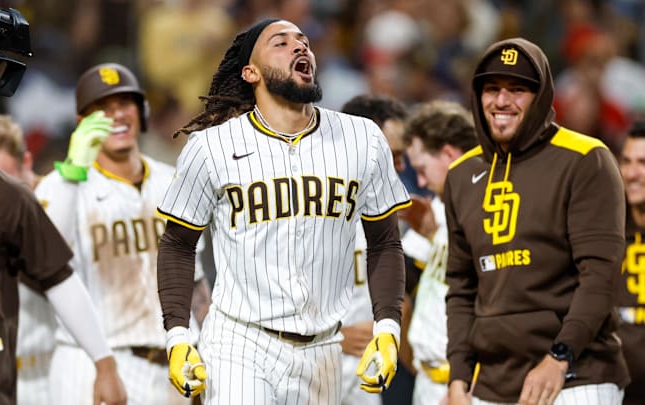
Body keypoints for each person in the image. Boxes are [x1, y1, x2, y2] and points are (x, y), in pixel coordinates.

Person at [156, 19, 411, 405]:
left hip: (324, 348)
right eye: (281, 43)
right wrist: (178, 335)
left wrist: (388, 327)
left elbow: (385, 241)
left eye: (304, 41)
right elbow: (177, 244)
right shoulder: (212, 146)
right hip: (240, 343)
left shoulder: (363, 138)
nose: (300, 47)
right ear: (250, 72)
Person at [444, 37, 630, 405]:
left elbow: (601, 275)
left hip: (577, 375)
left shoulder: (585, 158)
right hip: (491, 384)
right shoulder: (461, 174)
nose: (501, 101)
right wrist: (458, 378)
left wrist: (561, 355)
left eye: (517, 90)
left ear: (542, 96)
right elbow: (462, 288)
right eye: (492, 89)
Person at [35, 62, 210, 405]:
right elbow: (46, 260)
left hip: (173, 363)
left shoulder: (170, 179)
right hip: (95, 361)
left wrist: (207, 344)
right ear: (81, 123)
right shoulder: (60, 186)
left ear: (141, 112)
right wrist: (73, 172)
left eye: (125, 104)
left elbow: (195, 278)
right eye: (103, 108)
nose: (117, 115)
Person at [0, 114, 125, 405]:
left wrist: (71, 175)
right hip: (5, 372)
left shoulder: (50, 196)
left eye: (7, 173)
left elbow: (51, 265)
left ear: (26, 162)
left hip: (56, 364)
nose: (2, 185)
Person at [398, 100, 478, 405]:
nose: (420, 181)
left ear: (448, 155)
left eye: (422, 169)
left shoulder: (485, 210)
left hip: (461, 386)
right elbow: (400, 293)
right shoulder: (437, 210)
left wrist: (461, 382)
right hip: (427, 380)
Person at [339, 93, 414, 405]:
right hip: (307, 377)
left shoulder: (397, 215)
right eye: (392, 154)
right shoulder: (306, 206)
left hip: (365, 384)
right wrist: (334, 336)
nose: (400, 165)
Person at [616, 118, 645, 405]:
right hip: (616, 388)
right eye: (627, 161)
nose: (632, 173)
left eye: (643, 163)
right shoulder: (603, 230)